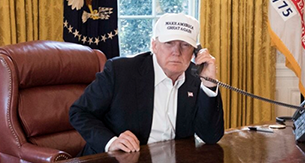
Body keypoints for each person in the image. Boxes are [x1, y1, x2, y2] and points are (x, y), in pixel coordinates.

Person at [69, 13, 224, 155]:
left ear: (195, 51)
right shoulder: (121, 71)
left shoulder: (196, 77)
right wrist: (111, 142)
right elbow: (80, 112)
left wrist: (208, 85)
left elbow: (210, 136)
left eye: (185, 45)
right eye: (169, 43)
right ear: (154, 45)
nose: (176, 52)